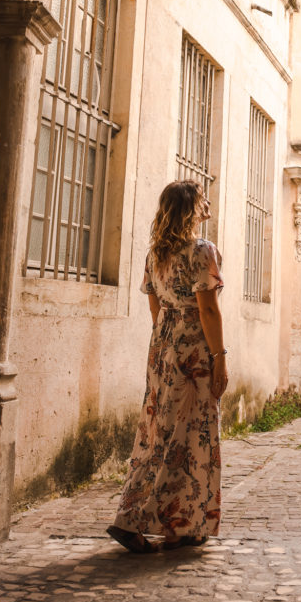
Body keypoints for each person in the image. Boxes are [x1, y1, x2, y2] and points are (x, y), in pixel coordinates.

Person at [107, 180, 228, 553]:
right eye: (203, 198)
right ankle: (150, 521)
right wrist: (219, 357)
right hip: (193, 352)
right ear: (192, 208)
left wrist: (167, 344)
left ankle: (177, 524)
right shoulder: (202, 251)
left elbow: (155, 307)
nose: (208, 202)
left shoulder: (156, 254)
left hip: (163, 347)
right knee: (193, 435)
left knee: (158, 435)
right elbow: (208, 308)